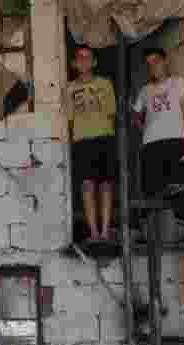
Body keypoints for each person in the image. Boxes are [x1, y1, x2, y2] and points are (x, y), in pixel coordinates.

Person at [132, 47, 184, 226]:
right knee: (151, 190)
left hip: (176, 139)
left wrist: (178, 129)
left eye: (156, 61)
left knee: (180, 186)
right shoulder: (145, 90)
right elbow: (135, 115)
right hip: (151, 143)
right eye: (149, 64)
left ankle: (183, 229)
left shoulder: (179, 82)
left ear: (165, 62)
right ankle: (150, 232)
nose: (153, 66)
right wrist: (145, 127)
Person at [66, 45, 118, 241]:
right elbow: (70, 119)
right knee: (87, 185)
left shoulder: (105, 84)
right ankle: (94, 233)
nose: (84, 61)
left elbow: (111, 114)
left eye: (88, 58)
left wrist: (106, 135)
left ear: (94, 62)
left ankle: (105, 231)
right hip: (82, 140)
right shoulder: (69, 88)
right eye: (80, 58)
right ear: (74, 63)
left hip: (104, 137)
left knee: (105, 185)